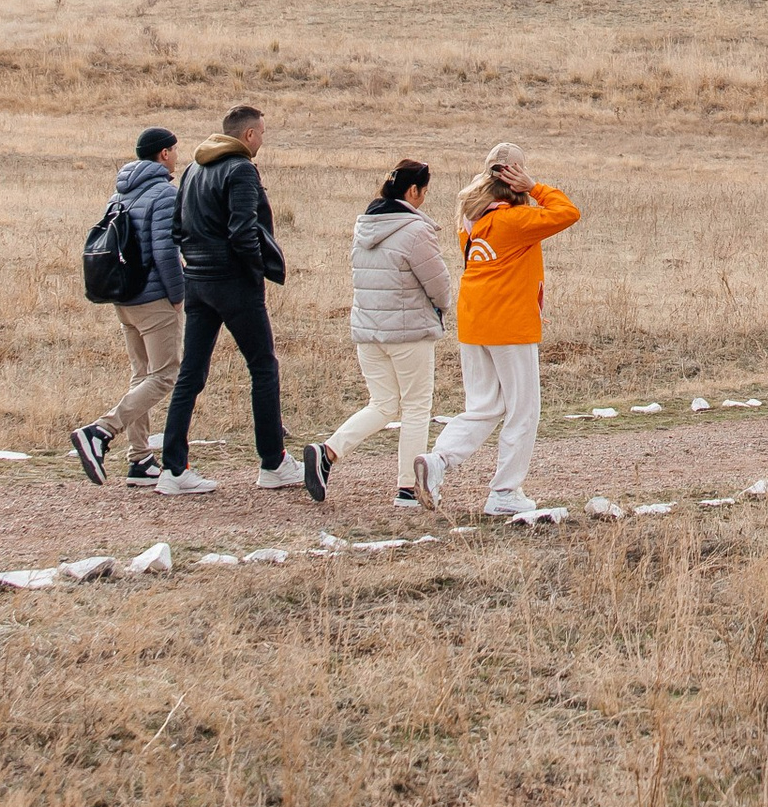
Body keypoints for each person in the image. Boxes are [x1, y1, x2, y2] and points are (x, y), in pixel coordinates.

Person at [420, 143, 580, 517]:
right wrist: (535, 186)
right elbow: (568, 213)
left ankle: (438, 461)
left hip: (475, 321)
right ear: (515, 177)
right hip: (510, 325)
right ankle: (505, 491)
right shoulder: (514, 221)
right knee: (523, 410)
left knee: (484, 406)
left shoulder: (471, 219)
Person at [157, 103, 296, 494]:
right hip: (233, 282)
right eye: (262, 134)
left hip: (196, 281)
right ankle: (273, 462)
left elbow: (177, 228)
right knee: (263, 368)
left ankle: (173, 468)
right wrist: (255, 272)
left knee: (192, 373)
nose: (262, 141)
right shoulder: (241, 170)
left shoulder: (193, 169)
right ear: (249, 135)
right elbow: (242, 231)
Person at [301, 159, 450, 507]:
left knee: (382, 404)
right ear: (413, 191)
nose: (424, 198)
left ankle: (328, 452)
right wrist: (440, 308)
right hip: (409, 332)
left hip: (368, 331)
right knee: (415, 407)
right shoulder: (416, 230)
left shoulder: (364, 226)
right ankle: (408, 488)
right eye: (424, 191)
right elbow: (440, 287)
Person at [70, 125, 184, 484]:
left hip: (124, 297)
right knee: (166, 375)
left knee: (141, 375)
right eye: (175, 150)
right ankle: (101, 431)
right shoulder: (165, 193)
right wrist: (178, 296)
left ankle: (140, 460)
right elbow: (166, 252)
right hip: (154, 299)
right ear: (164, 153)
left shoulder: (119, 193)